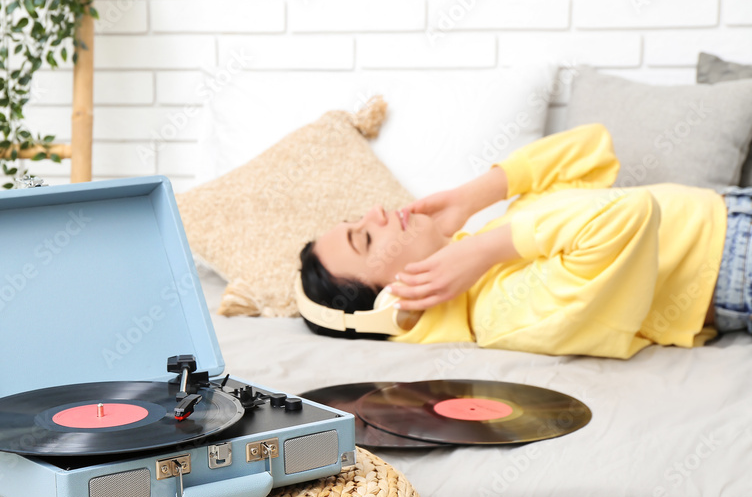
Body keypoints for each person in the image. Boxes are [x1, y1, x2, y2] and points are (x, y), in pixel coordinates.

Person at [296, 123, 752, 359]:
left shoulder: (485, 248)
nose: (376, 212)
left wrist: (477, 195)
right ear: (396, 299)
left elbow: (592, 148)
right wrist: (483, 248)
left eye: (358, 218)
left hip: (735, 213)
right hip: (737, 265)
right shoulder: (502, 311)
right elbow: (627, 215)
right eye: (367, 237)